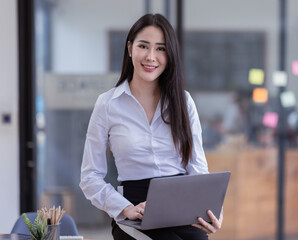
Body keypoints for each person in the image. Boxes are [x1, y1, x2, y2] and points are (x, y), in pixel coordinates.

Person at [79, 13, 222, 240]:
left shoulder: (184, 102)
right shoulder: (107, 104)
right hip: (135, 211)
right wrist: (125, 208)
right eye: (143, 46)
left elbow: (198, 170)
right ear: (129, 48)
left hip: (182, 208)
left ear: (170, 54)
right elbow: (90, 177)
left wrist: (212, 213)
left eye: (161, 49)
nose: (151, 57)